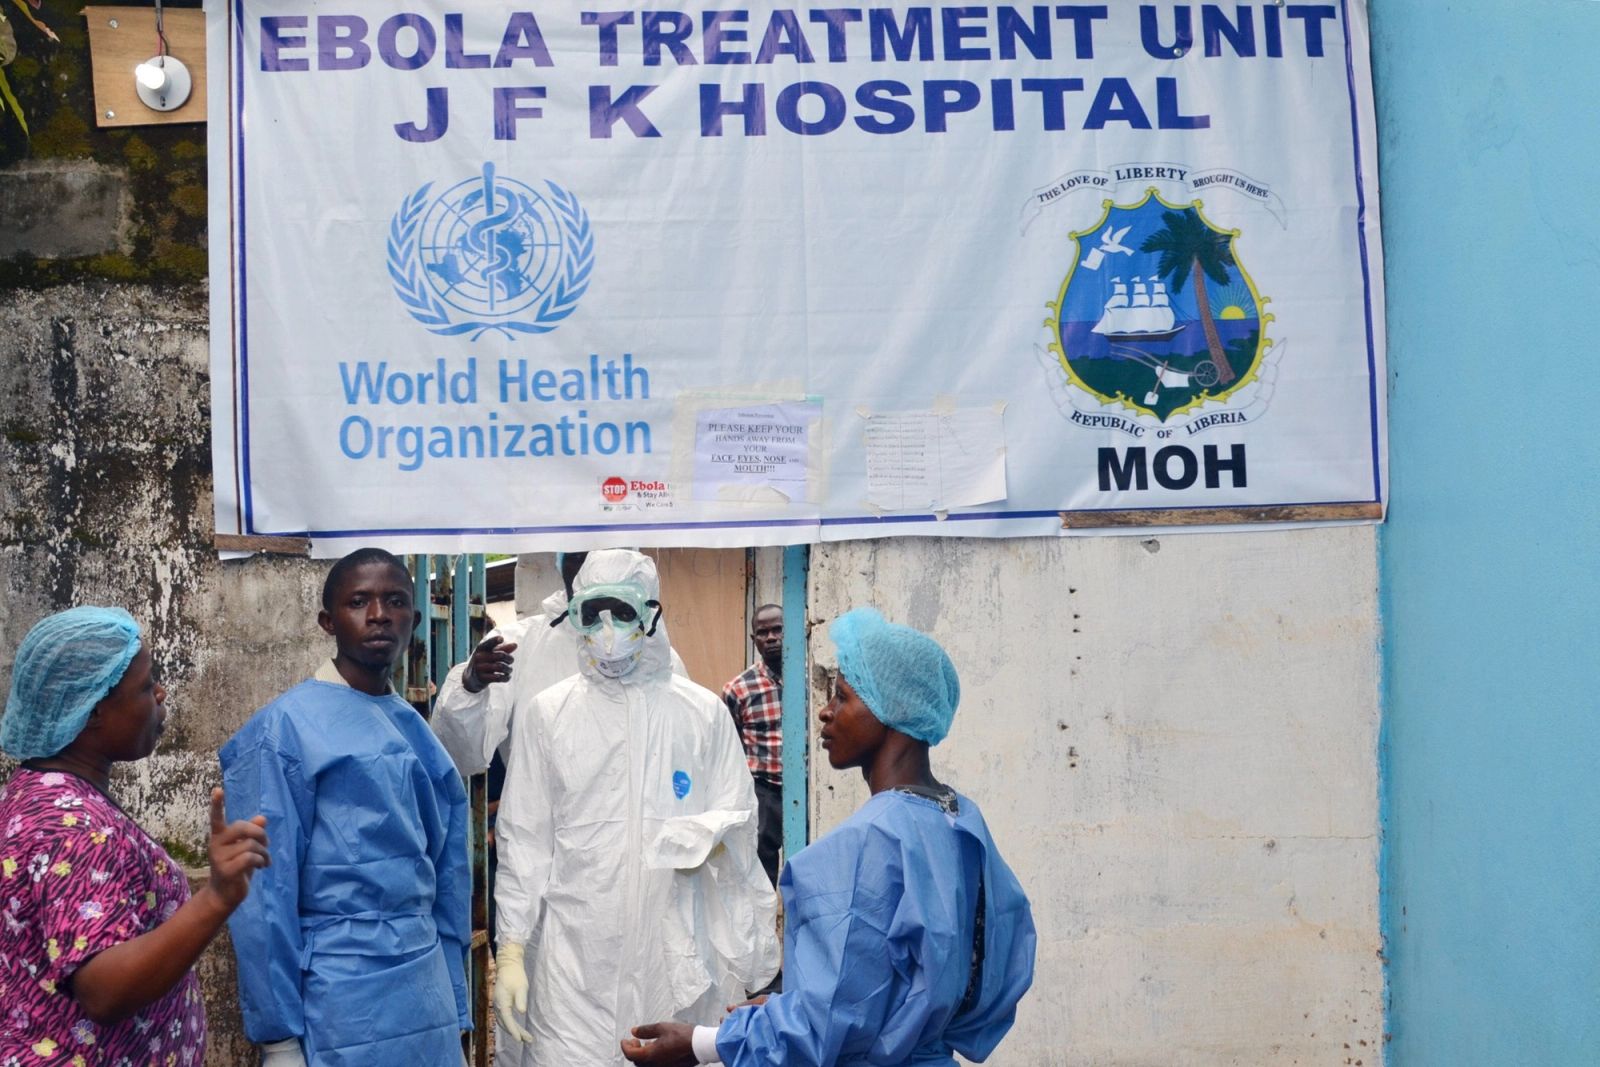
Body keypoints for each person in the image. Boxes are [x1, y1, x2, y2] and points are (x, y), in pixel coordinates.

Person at [620, 607, 1037, 1067]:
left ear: (890, 709)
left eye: (842, 697)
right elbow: (983, 968)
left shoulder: (868, 842)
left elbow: (829, 1023)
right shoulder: (960, 819)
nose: (825, 711)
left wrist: (702, 1042)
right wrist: (798, 1003)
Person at [493, 549, 779, 1067]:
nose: (607, 630)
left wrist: (746, 951)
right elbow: (524, 841)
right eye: (592, 613)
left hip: (674, 966)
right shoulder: (549, 714)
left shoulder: (702, 714)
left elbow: (740, 835)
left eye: (622, 611)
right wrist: (512, 947)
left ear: (650, 613)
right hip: (573, 969)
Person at [221, 548, 471, 1066]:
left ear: (414, 619)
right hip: (340, 996)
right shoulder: (283, 731)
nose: (378, 615)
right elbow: (264, 895)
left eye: (394, 601)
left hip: (424, 992)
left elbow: (448, 878)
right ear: (328, 621)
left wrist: (456, 1000)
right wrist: (278, 1039)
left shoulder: (414, 730)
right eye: (359, 602)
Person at [0, 606, 270, 1062]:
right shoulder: (73, 828)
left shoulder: (37, 790)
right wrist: (216, 898)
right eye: (146, 686)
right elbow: (104, 991)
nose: (160, 693)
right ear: (92, 712)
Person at [721, 604, 785, 888]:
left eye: (778, 630)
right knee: (760, 867)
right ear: (753, 639)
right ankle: (766, 916)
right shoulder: (738, 689)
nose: (771, 637)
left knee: (810, 860)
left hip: (806, 788)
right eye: (763, 632)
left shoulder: (813, 678)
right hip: (763, 790)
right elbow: (731, 747)